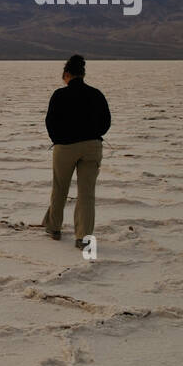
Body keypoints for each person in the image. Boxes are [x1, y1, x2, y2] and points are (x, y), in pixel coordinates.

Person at [41, 54, 111, 246]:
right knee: (87, 193)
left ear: (66, 74)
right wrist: (93, 135)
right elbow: (106, 122)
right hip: (92, 147)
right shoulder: (96, 94)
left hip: (65, 147)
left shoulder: (60, 95)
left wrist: (58, 139)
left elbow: (50, 122)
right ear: (83, 74)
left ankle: (55, 228)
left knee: (60, 188)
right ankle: (83, 237)